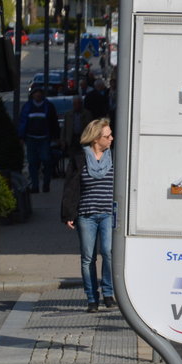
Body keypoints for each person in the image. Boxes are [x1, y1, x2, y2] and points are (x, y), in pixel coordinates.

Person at [61, 117, 116, 312]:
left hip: (108, 213)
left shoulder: (114, 157)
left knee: (109, 252)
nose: (111, 138)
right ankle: (92, 298)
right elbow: (70, 186)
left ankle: (108, 293)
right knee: (88, 257)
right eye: (107, 136)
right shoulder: (80, 159)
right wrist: (68, 213)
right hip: (86, 214)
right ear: (95, 139)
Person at [19, 86, 59, 193]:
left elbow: (53, 122)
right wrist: (21, 137)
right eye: (35, 93)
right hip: (31, 139)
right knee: (32, 163)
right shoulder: (27, 107)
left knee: (46, 161)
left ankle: (46, 184)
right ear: (32, 95)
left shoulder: (48, 107)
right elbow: (23, 122)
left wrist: (56, 137)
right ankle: (35, 186)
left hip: (44, 139)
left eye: (39, 93)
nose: (37, 95)